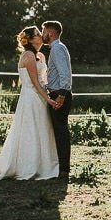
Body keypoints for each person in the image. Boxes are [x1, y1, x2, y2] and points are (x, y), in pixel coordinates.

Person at [0, 26, 60, 180]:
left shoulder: (40, 56)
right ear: (30, 39)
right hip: (31, 97)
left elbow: (44, 80)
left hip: (41, 95)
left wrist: (53, 92)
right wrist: (48, 99)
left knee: (42, 128)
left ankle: (43, 164)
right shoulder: (28, 56)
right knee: (30, 130)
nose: (41, 35)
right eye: (37, 34)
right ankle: (28, 166)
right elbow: (34, 82)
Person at [42, 20, 72, 177]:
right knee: (59, 131)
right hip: (57, 93)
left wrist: (61, 95)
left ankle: (64, 169)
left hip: (59, 94)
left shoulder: (57, 49)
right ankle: (60, 167)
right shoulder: (57, 48)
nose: (42, 35)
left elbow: (64, 74)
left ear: (51, 33)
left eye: (44, 31)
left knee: (61, 132)